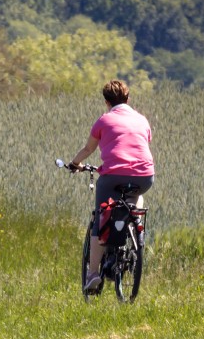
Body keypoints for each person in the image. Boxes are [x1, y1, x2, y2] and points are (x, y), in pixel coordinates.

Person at [66, 79, 155, 293]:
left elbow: (88, 149)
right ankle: (133, 218)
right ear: (128, 99)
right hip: (145, 176)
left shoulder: (104, 121)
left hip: (113, 176)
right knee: (135, 196)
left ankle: (93, 273)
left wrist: (75, 164)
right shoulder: (142, 120)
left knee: (101, 217)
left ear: (106, 102)